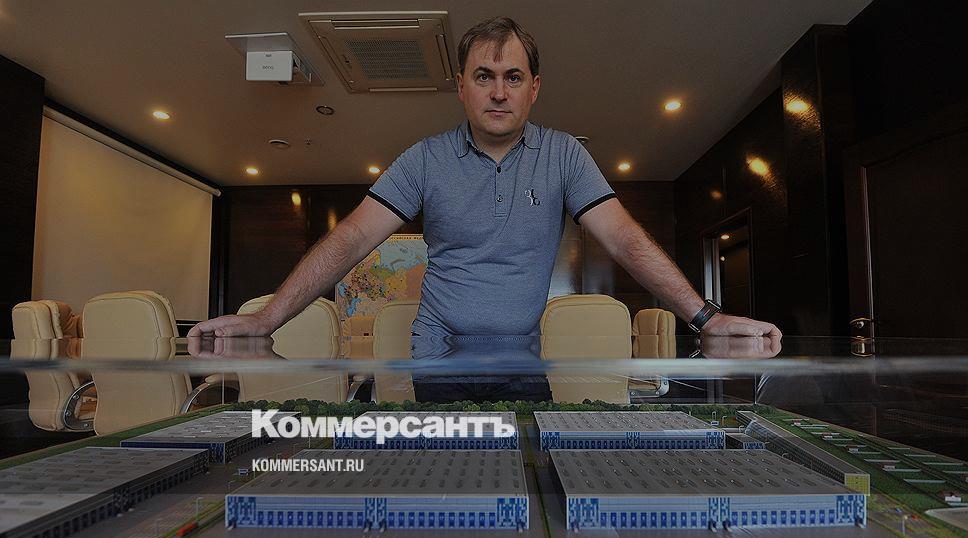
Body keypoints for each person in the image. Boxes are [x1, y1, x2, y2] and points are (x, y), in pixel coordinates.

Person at [189, 16, 781, 339]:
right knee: (445, 483)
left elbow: (625, 239)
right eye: (484, 76)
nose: (499, 92)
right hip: (436, 346)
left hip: (522, 350)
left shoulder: (565, 155)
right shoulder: (423, 158)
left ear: (533, 88)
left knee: (518, 483)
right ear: (462, 87)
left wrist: (707, 318)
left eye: (513, 77)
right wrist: (266, 318)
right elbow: (350, 239)